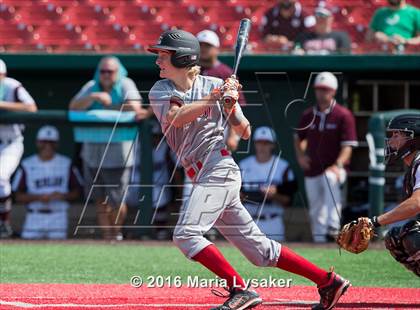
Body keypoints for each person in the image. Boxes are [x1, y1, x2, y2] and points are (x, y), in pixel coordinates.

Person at [148, 29, 349, 310]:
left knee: (185, 234)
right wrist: (215, 97)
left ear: (182, 58)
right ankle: (328, 281)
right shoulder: (162, 90)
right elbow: (176, 118)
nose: (157, 61)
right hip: (202, 174)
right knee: (260, 252)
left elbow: (244, 131)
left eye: (163, 55)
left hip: (219, 168)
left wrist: (230, 105)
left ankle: (240, 290)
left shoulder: (215, 85)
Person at [69, 56, 142, 240]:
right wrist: (93, 97)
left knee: (117, 200)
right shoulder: (91, 86)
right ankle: (106, 236)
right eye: (103, 71)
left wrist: (111, 105)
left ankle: (116, 234)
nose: (106, 75)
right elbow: (73, 107)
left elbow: (136, 108)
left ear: (118, 72)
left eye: (110, 71)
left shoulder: (126, 84)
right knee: (99, 199)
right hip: (92, 152)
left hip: (118, 152)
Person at [342, 114, 420, 276]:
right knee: (395, 238)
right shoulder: (414, 166)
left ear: (413, 138)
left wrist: (375, 222)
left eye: (396, 135)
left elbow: (416, 203)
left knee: (413, 235)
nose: (391, 141)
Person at [294, 72, 357, 243]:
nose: (322, 93)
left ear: (334, 91)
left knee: (330, 178)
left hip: (335, 168)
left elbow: (348, 147)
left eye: (326, 90)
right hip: (313, 168)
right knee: (315, 209)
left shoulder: (343, 115)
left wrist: (337, 165)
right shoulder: (308, 114)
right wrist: (301, 157)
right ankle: (320, 241)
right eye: (319, 89)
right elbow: (298, 138)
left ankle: (334, 226)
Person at [12, 126, 82, 239]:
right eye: (44, 142)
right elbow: (18, 196)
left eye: (51, 142)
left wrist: (62, 195)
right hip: (34, 215)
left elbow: (77, 192)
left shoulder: (66, 163)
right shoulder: (27, 164)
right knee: (27, 250)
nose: (48, 146)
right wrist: (38, 197)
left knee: (58, 252)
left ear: (57, 144)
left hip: (58, 215)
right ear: (37, 143)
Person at [0, 58, 37, 238]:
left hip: (10, 142)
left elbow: (31, 108)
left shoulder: (12, 86)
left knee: (0, 178)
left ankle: (4, 223)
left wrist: (3, 105)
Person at [239, 126, 297, 241]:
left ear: (273, 145)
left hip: (273, 221)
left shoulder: (282, 166)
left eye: (266, 143)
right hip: (250, 220)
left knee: (277, 257)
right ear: (255, 144)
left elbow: (288, 199)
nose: (262, 146)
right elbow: (236, 197)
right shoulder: (243, 165)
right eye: (259, 142)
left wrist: (274, 194)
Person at [197, 29, 246, 152]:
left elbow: (237, 107)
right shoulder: (189, 71)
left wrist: (233, 136)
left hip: (220, 128)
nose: (203, 49)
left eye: (207, 45)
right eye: (200, 45)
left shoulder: (225, 73)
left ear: (216, 48)